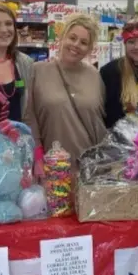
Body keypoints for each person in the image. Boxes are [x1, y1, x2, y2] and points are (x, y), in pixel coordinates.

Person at [24, 13, 106, 176]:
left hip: (88, 168)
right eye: (72, 38)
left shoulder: (95, 75)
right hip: (51, 167)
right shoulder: (37, 71)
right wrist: (37, 158)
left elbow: (100, 121)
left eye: (84, 43)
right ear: (62, 38)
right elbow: (29, 118)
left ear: (90, 49)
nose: (76, 45)